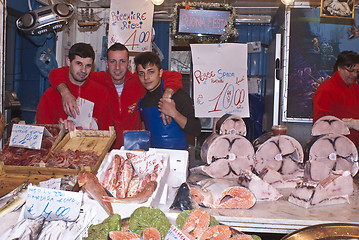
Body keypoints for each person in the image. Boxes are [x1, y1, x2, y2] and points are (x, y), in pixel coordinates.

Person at [49, 43, 183, 149]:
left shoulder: (141, 79)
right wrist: (65, 92)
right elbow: (57, 73)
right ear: (106, 64)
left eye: (122, 61)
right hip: (106, 149)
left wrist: (167, 94)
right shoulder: (96, 79)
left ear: (129, 64)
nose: (117, 67)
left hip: (135, 149)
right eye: (113, 61)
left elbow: (174, 76)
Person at [36, 43, 112, 130]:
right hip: (60, 143)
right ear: (68, 61)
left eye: (88, 66)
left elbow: (106, 132)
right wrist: (60, 129)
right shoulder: (51, 94)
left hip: (93, 143)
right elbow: (43, 131)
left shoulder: (102, 93)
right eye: (79, 64)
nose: (83, 70)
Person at [135, 51, 201, 149]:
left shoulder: (176, 95)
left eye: (151, 72)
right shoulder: (141, 98)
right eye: (141, 74)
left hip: (179, 158)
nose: (146, 77)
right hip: (154, 158)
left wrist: (174, 113)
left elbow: (196, 129)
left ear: (160, 72)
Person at [313, 50, 359, 147]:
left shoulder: (355, 88)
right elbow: (320, 124)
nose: (354, 75)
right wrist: (349, 123)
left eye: (357, 71)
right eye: (350, 71)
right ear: (339, 68)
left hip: (354, 149)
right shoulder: (326, 89)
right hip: (334, 150)